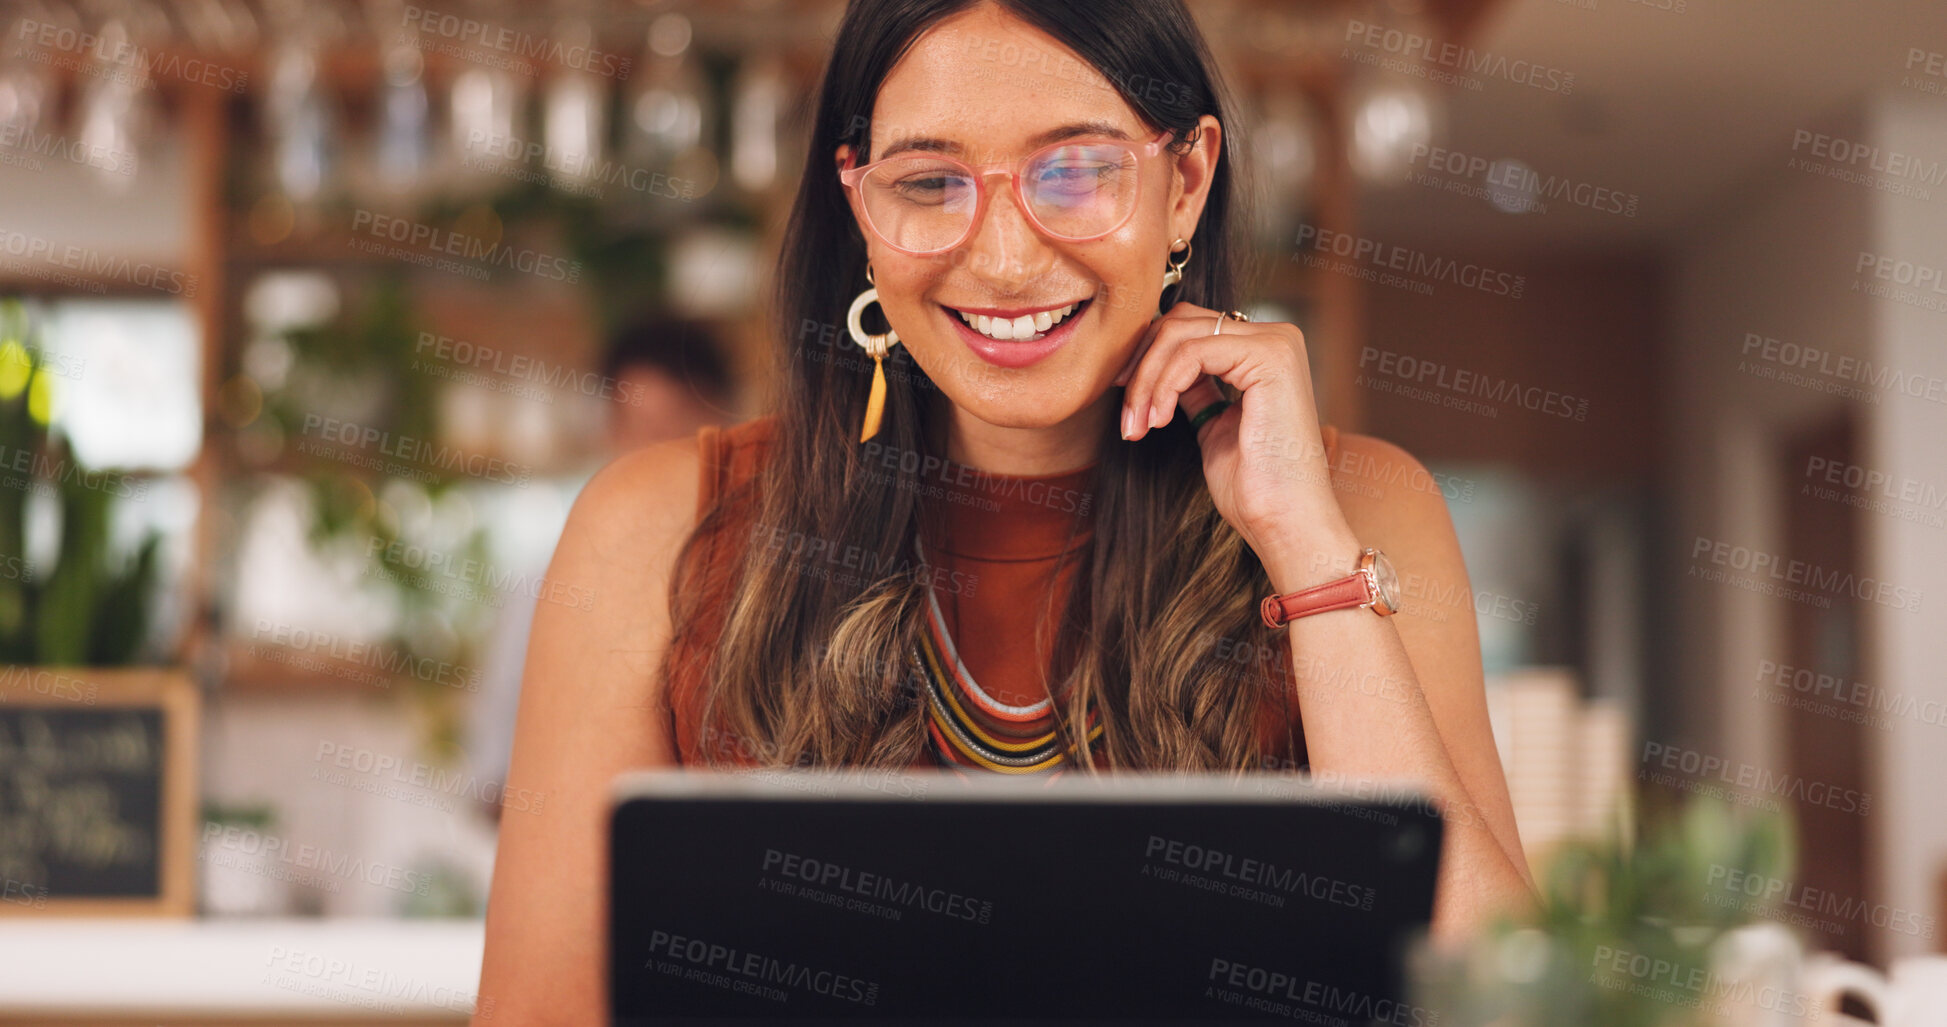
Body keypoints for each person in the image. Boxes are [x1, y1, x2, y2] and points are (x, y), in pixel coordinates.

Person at [476, 1, 1532, 1020]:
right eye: (930, 181)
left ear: (1187, 181)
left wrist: (1304, 546)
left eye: (1075, 170)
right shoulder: (654, 527)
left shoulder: (1364, 508)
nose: (1006, 258)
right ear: (860, 207)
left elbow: (1505, 1008)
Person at [462, 313, 733, 818]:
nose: (656, 459)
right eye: (641, 431)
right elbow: (492, 777)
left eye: (679, 433)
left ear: (727, 437)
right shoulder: (546, 586)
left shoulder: (763, 582)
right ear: (608, 433)